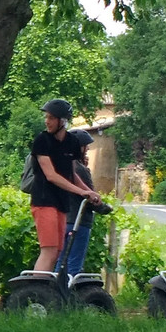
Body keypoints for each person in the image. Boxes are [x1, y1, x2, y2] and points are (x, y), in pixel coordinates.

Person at [29, 99, 101, 271]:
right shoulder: (42, 141)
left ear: (63, 121)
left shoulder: (72, 143)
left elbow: (71, 174)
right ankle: (39, 293)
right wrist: (81, 193)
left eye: (52, 118)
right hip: (44, 201)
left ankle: (49, 292)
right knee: (49, 251)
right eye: (46, 117)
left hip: (61, 204)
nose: (47, 121)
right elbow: (51, 176)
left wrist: (89, 191)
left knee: (58, 252)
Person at [53, 129, 97, 278]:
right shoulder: (81, 170)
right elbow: (92, 197)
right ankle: (70, 296)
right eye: (86, 145)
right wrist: (104, 207)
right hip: (79, 220)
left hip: (64, 219)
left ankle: (55, 294)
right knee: (74, 264)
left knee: (60, 261)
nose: (88, 149)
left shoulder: (62, 165)